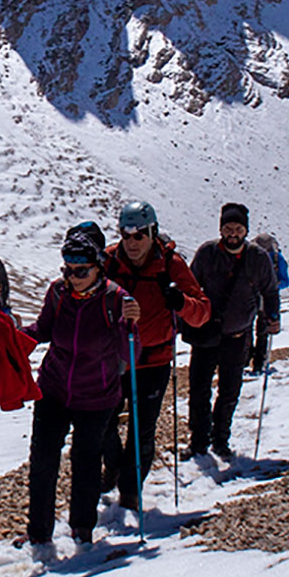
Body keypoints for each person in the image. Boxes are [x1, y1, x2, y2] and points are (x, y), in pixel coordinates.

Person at [22, 222, 139, 552]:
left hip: (97, 397)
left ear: (98, 266)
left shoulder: (116, 299)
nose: (72, 277)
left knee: (86, 462)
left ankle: (82, 530)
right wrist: (15, 339)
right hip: (54, 389)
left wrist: (127, 324)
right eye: (68, 269)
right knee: (42, 461)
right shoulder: (58, 292)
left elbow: (130, 354)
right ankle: (39, 533)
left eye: (80, 270)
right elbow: (44, 328)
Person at [101, 201, 209, 508]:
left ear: (153, 232)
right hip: (115, 359)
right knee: (103, 424)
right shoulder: (109, 261)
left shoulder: (171, 265)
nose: (132, 242)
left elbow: (202, 312)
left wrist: (180, 302)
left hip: (154, 360)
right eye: (126, 234)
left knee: (142, 430)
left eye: (139, 235)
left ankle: (130, 490)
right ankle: (113, 466)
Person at [186, 203, 279, 458]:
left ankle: (220, 439)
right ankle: (199, 441)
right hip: (206, 333)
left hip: (238, 335)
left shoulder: (257, 258)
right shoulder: (206, 253)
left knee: (229, 390)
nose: (233, 234)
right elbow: (191, 287)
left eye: (237, 228)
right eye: (228, 228)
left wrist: (273, 317)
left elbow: (270, 291)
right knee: (199, 389)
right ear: (221, 229)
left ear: (245, 230)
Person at [248, 232, 289, 375]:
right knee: (262, 331)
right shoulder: (277, 259)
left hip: (256, 296)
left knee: (251, 328)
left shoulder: (254, 257)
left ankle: (251, 359)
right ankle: (258, 361)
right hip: (267, 298)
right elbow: (285, 282)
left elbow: (285, 281)